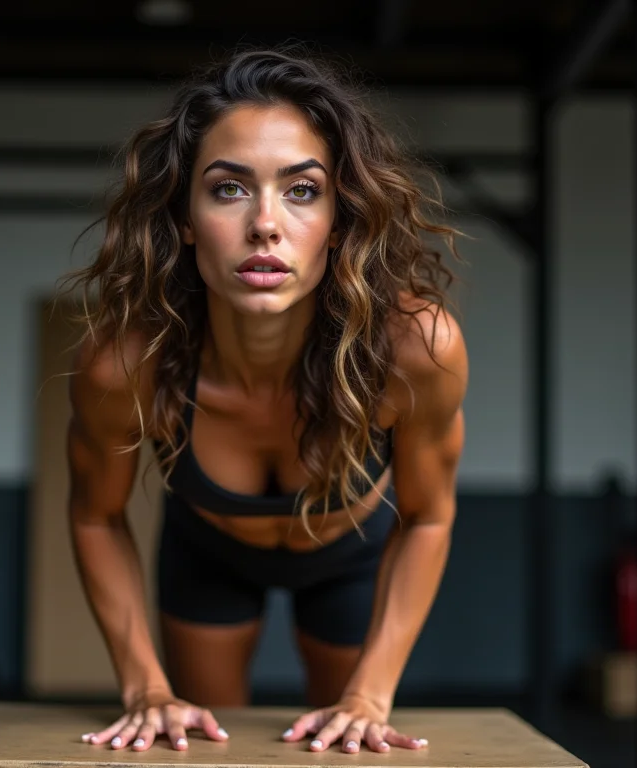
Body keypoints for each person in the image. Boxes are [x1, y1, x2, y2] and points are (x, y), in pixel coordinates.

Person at [62, 45, 468, 756]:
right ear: (184, 217)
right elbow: (96, 516)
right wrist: (144, 686)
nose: (266, 225)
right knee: (200, 744)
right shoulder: (127, 366)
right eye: (228, 189)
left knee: (345, 743)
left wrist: (371, 694)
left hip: (353, 556)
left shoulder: (413, 350)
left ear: (341, 220)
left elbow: (430, 515)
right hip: (209, 553)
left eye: (302, 190)